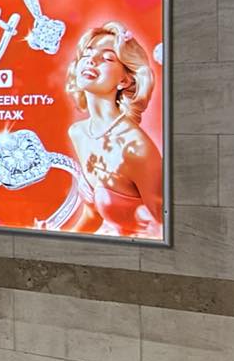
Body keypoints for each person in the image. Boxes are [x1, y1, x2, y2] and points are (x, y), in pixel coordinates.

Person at [62, 22, 164, 238]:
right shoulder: (78, 133)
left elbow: (168, 227)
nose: (92, 60)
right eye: (87, 54)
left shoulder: (136, 148)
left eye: (107, 58)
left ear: (124, 80)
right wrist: (55, 242)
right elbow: (92, 215)